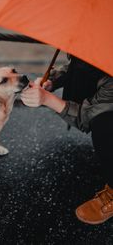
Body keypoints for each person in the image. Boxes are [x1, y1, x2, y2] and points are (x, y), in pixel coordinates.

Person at [21, 55, 113, 225]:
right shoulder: (98, 44)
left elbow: (86, 118)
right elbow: (77, 66)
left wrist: (47, 99)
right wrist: (52, 80)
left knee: (104, 126)